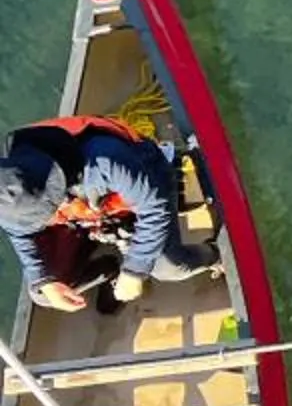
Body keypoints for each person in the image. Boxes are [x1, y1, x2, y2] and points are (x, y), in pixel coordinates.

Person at [0, 114, 216, 312]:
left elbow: (155, 208)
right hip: (87, 214)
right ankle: (108, 269)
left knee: (169, 268)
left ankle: (214, 255)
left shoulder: (104, 159)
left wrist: (135, 271)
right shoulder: (8, 188)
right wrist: (43, 279)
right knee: (42, 292)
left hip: (144, 186)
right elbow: (19, 232)